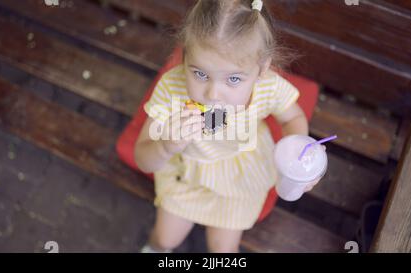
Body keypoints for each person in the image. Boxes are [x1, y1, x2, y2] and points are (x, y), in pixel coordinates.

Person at [134, 0, 322, 253]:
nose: (213, 94)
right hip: (186, 175)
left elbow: (292, 119)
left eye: (233, 79)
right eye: (200, 74)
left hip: (240, 176)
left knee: (223, 251)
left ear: (262, 68)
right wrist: (166, 146)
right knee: (165, 240)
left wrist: (298, 158)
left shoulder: (268, 86)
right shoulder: (172, 89)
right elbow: (143, 158)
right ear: (184, 56)